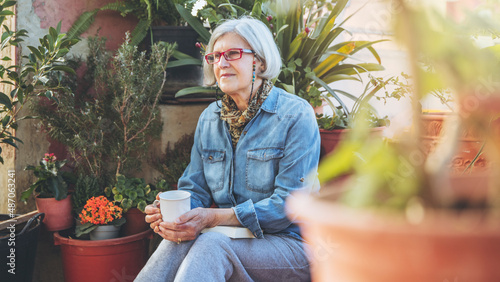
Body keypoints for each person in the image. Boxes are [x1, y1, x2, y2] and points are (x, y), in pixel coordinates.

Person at [135, 16, 320, 282]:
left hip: (292, 244)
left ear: (260, 60)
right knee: (178, 242)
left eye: (233, 54)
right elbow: (195, 190)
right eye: (215, 56)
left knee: (211, 244)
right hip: (232, 238)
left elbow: (289, 206)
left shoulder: (295, 115)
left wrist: (211, 218)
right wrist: (173, 215)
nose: (221, 64)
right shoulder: (210, 118)